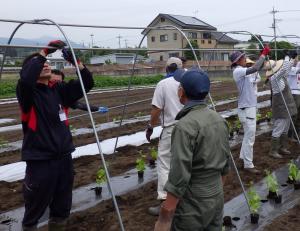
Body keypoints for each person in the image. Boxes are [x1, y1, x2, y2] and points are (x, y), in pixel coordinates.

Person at [16, 40, 94, 230]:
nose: (45, 64)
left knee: (62, 205)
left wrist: (77, 62)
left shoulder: (58, 90)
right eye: (40, 64)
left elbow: (87, 84)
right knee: (36, 204)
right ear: (30, 71)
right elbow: (26, 80)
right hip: (41, 159)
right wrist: (43, 53)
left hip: (64, 157)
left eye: (47, 62)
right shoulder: (28, 94)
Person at [154, 69, 230, 231]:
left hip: (193, 203)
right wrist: (214, 193)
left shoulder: (184, 126)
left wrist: (167, 211)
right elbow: (225, 164)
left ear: (182, 92)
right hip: (216, 196)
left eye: (179, 86)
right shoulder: (219, 120)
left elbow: (179, 174)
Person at [146, 57, 184, 216]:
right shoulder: (188, 80)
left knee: (164, 163)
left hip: (171, 127)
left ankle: (164, 201)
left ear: (167, 68)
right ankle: (184, 197)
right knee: (185, 161)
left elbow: (156, 109)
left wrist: (151, 126)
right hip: (189, 126)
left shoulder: (163, 84)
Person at [230, 46, 270, 174]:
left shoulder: (243, 71)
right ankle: (248, 164)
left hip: (248, 108)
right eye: (242, 57)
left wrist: (261, 58)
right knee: (250, 137)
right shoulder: (238, 71)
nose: (244, 58)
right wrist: (263, 55)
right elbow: (255, 68)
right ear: (237, 61)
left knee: (248, 135)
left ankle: (243, 158)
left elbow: (256, 71)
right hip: (247, 109)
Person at [265, 51, 298, 159]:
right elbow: (284, 69)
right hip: (280, 106)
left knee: (285, 127)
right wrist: (289, 57)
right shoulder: (274, 78)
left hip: (286, 105)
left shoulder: (280, 76)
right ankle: (273, 150)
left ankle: (283, 147)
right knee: (279, 127)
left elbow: (286, 70)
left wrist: (292, 59)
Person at [287, 55, 300, 140]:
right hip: (294, 93)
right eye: (295, 59)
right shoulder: (290, 69)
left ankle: (296, 133)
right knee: (294, 114)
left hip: (298, 92)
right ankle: (290, 134)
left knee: (298, 115)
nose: (296, 61)